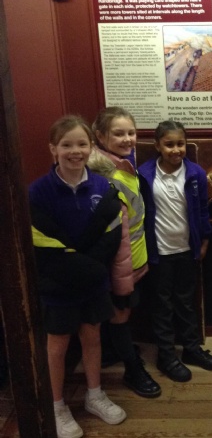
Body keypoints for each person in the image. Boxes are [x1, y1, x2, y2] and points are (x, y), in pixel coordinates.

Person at [29, 115, 126, 438]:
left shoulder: (103, 188)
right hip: (58, 284)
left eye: (82, 144)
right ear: (53, 149)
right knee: (57, 345)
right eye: (66, 144)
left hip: (93, 283)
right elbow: (42, 242)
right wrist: (79, 268)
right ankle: (56, 405)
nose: (75, 151)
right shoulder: (38, 192)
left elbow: (111, 237)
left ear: (91, 146)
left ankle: (94, 394)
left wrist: (89, 270)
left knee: (92, 336)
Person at [138, 120, 212, 382]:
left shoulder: (195, 173)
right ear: (157, 146)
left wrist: (204, 240)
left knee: (186, 302)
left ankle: (191, 349)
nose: (176, 150)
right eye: (169, 144)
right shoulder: (144, 174)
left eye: (180, 144)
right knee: (162, 305)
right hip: (159, 252)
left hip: (186, 249)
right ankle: (166, 355)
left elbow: (203, 211)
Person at [89, 106, 161, 398]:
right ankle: (132, 369)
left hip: (133, 259)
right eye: (118, 134)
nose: (128, 139)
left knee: (121, 313)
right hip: (118, 265)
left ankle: (116, 352)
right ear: (100, 136)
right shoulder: (101, 175)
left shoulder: (124, 166)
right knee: (120, 314)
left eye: (131, 132)